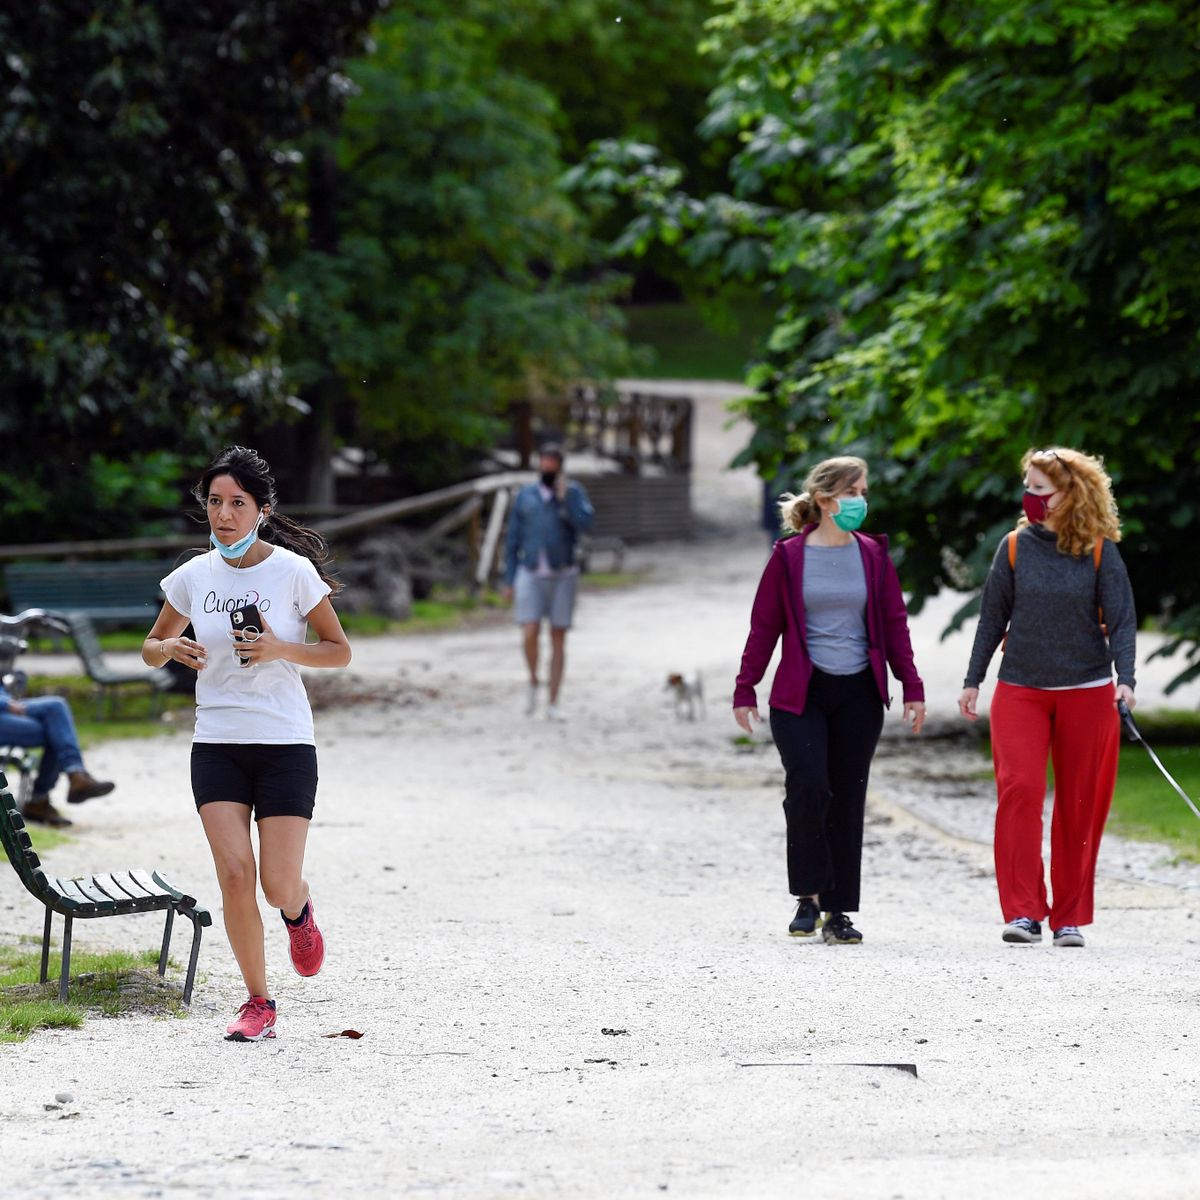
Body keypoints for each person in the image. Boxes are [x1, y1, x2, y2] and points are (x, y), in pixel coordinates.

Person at [142, 446, 351, 1042]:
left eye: (237, 503)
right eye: (214, 502)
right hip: (217, 741)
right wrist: (170, 650)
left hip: (285, 742)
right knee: (234, 874)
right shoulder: (191, 577)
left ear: (261, 510)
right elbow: (151, 645)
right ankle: (258, 1001)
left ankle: (298, 911)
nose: (224, 515)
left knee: (275, 883)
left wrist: (281, 648)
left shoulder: (291, 572)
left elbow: (339, 651)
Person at [733, 456, 926, 945]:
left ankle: (838, 910)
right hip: (802, 692)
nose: (861, 501)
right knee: (809, 785)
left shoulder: (873, 556)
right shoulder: (789, 557)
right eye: (853, 492)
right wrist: (745, 686)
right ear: (824, 499)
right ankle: (808, 896)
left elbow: (894, 625)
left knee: (847, 795)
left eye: (863, 491)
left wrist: (912, 686)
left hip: (859, 692)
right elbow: (764, 626)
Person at [959, 447, 1136, 949]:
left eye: (1041, 490)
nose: (1031, 498)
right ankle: (1023, 912)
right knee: (1020, 790)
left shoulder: (1100, 550)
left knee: (1080, 803)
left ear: (1070, 493)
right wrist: (974, 679)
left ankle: (1069, 917)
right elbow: (992, 618)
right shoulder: (1014, 547)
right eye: (1029, 488)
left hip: (1087, 691)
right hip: (1021, 690)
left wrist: (1127, 678)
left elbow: (1122, 619)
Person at [502, 443, 594, 720]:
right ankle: (533, 679)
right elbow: (512, 538)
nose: (548, 467)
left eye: (553, 463)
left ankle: (553, 701)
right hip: (530, 571)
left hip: (563, 572)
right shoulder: (525, 496)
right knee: (529, 631)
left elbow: (586, 525)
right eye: (545, 462)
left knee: (558, 637)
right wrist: (508, 579)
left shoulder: (574, 493)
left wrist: (565, 499)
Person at [0, 685, 113, 827]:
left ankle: (74, 776)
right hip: (3, 708)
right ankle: (49, 793)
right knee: (56, 730)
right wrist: (5, 704)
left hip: (6, 704)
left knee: (56, 706)